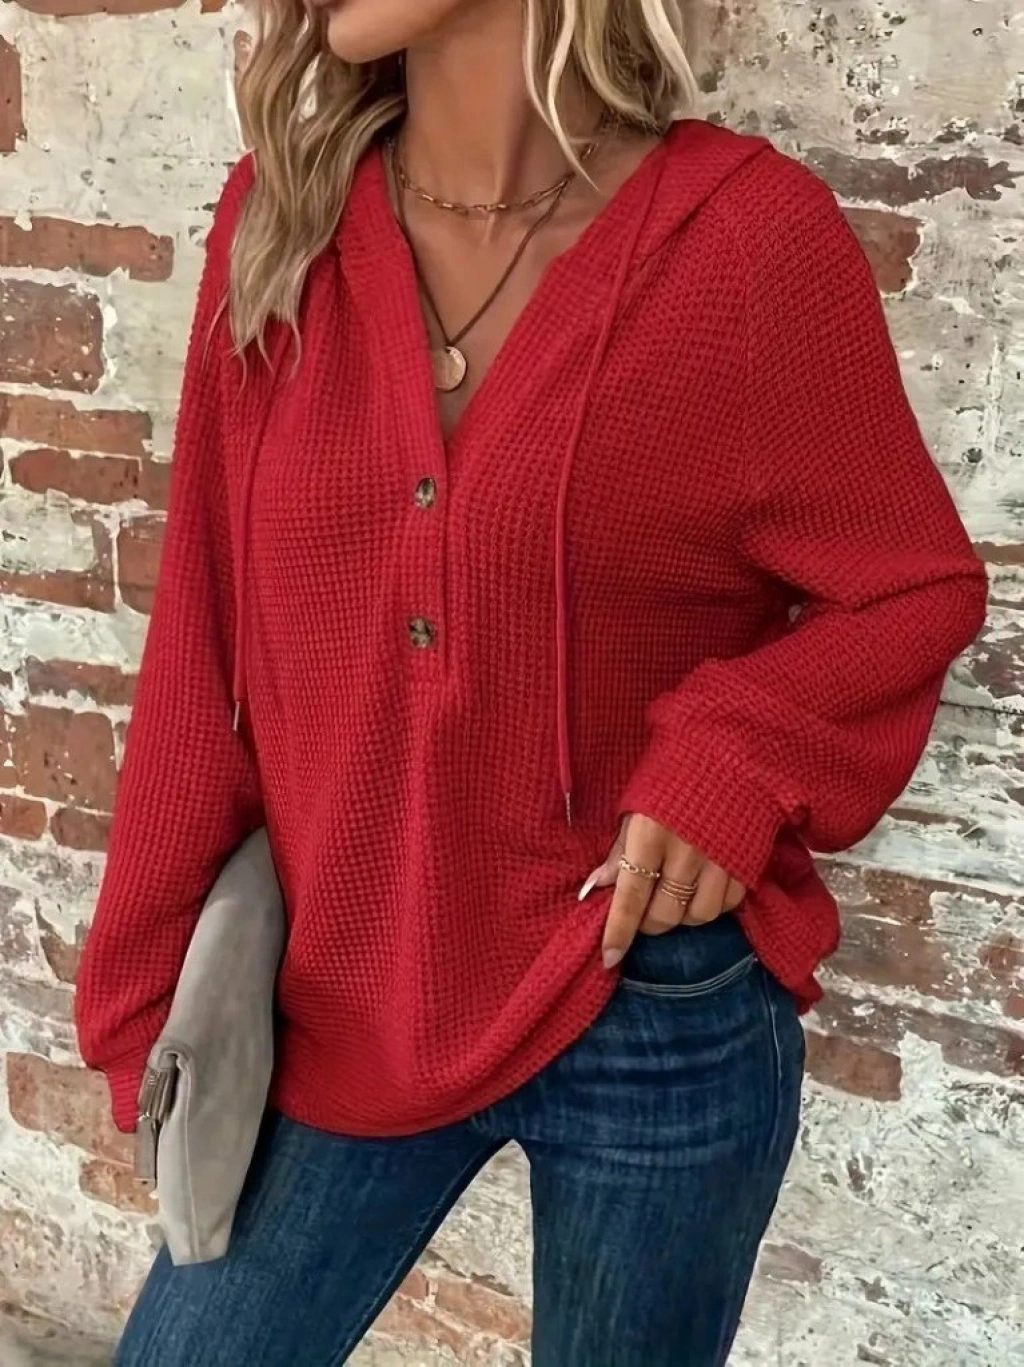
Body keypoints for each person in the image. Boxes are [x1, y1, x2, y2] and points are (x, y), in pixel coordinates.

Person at [75, 1, 988, 1363]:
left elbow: (910, 585)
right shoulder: (283, 227)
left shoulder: (746, 241)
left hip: (651, 998)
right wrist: (143, 993)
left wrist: (733, 758)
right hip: (346, 985)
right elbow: (200, 640)